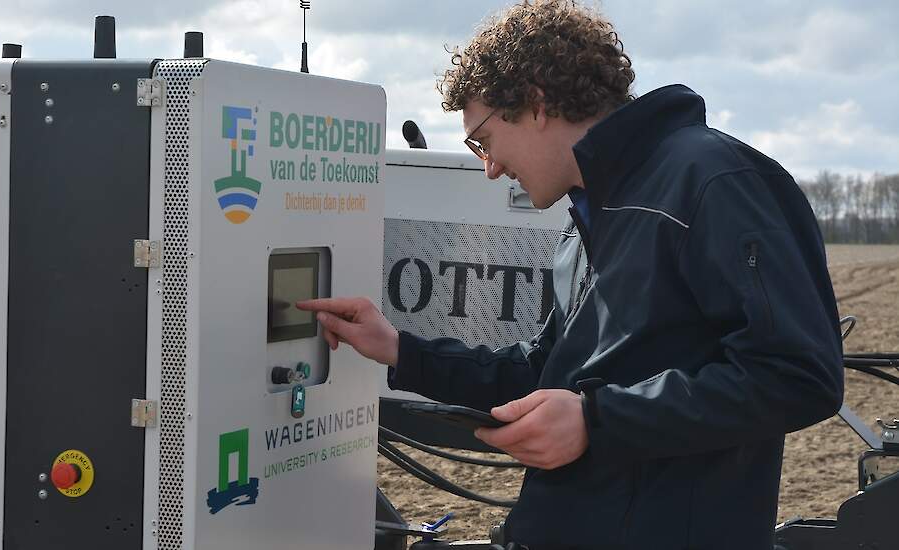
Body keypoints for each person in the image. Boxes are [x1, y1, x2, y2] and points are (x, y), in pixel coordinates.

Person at [297, 1, 844, 548]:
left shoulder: (713, 182)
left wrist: (596, 421)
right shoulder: (588, 217)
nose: (488, 168)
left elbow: (797, 375)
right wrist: (400, 349)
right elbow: (547, 377)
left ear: (535, 103)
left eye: (483, 140)